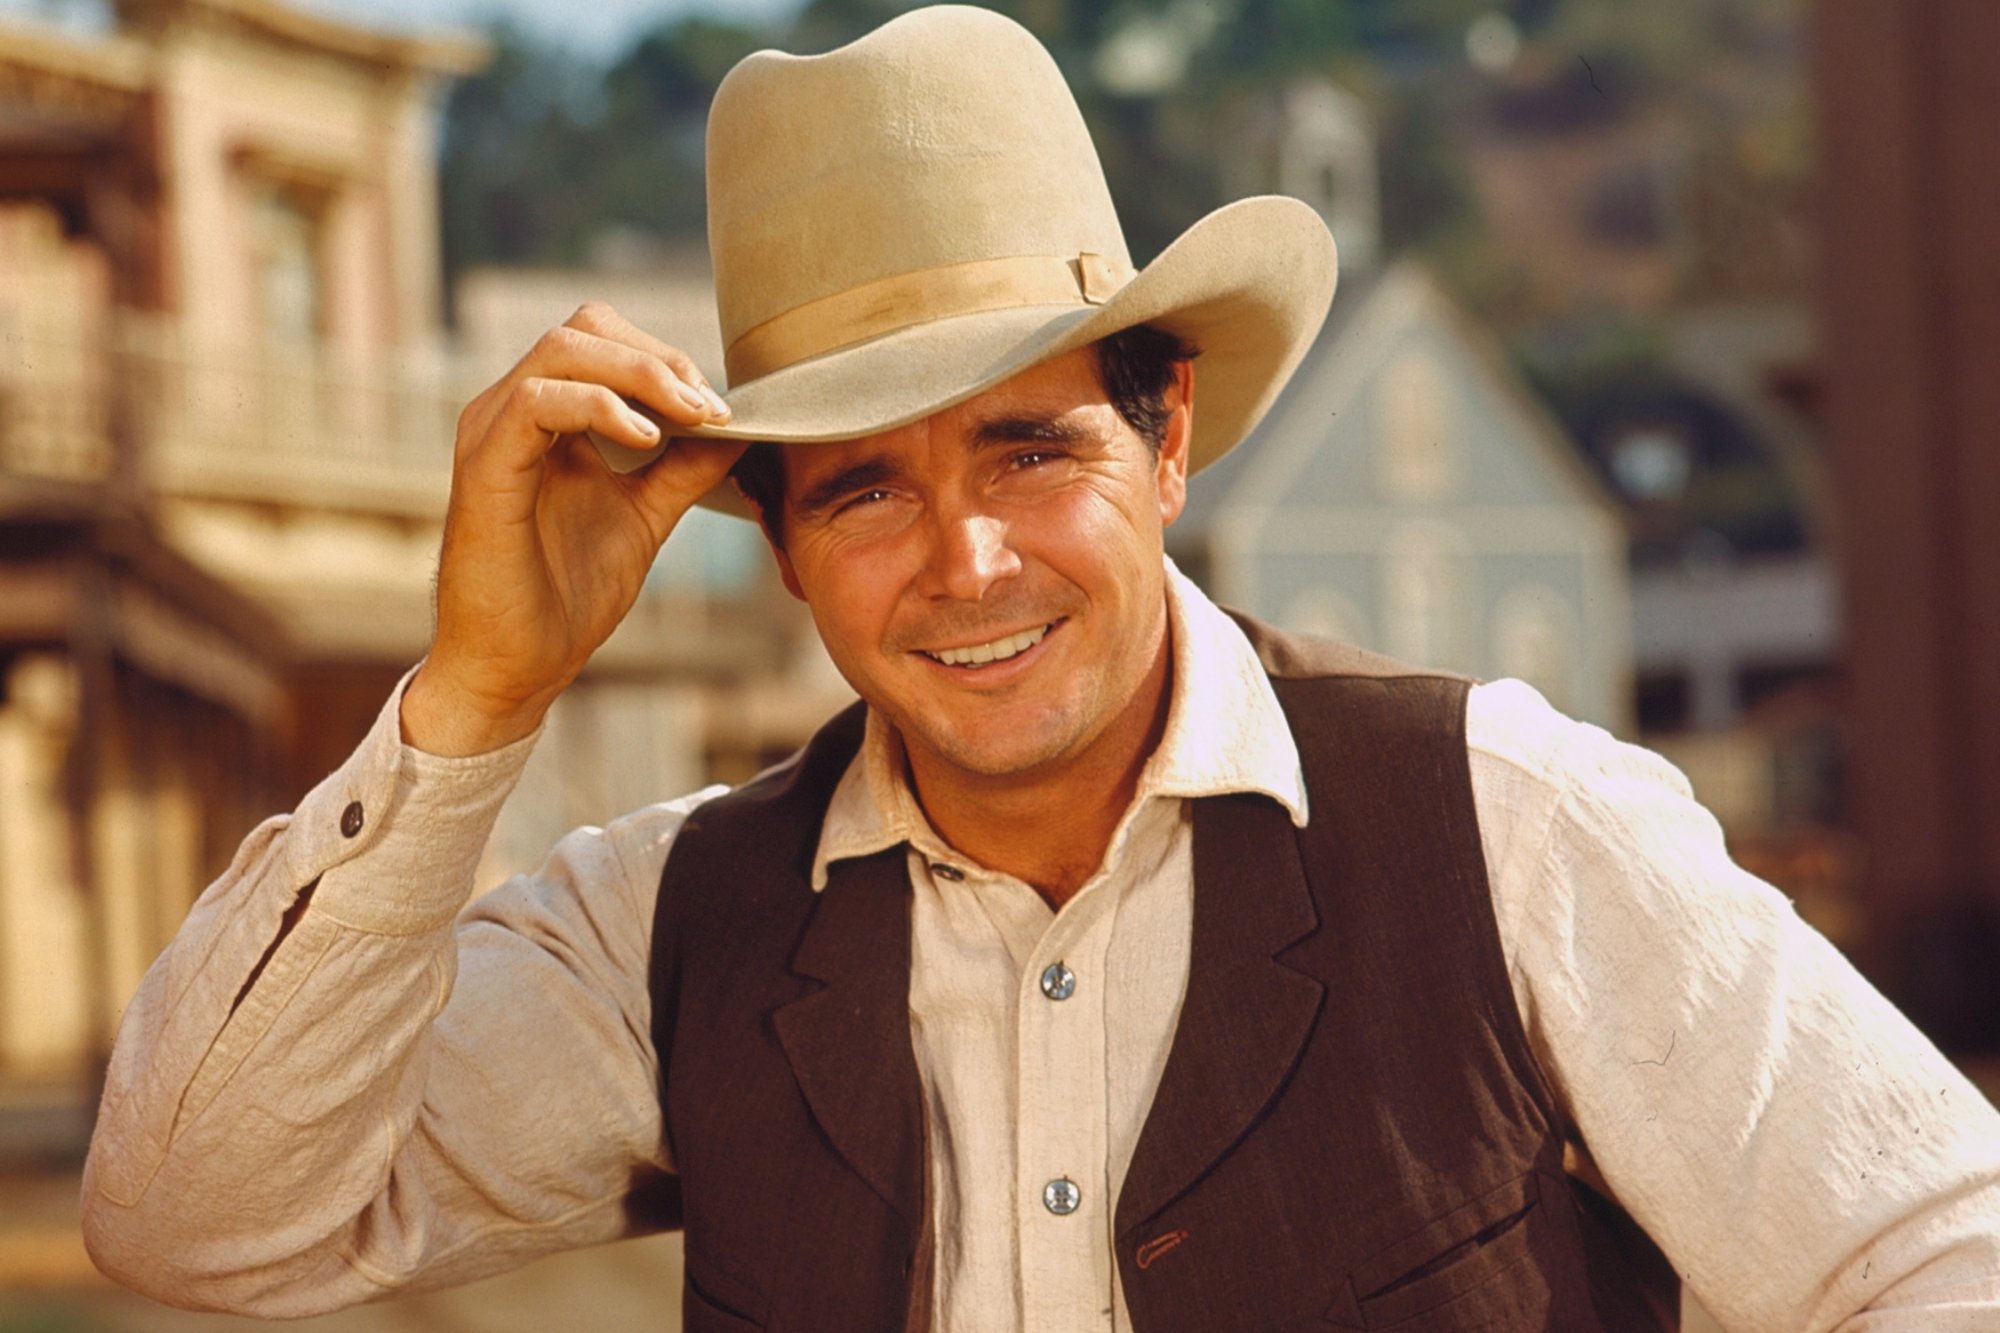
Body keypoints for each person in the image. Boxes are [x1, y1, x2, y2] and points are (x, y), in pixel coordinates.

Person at [82, 6, 2000, 1330]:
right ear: (784, 547)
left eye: (1030, 448)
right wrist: (479, 694)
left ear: (1167, 442)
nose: (964, 561)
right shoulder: (675, 923)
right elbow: (198, 1220)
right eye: (862, 491)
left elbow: (1950, 1248)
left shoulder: (1497, 817)